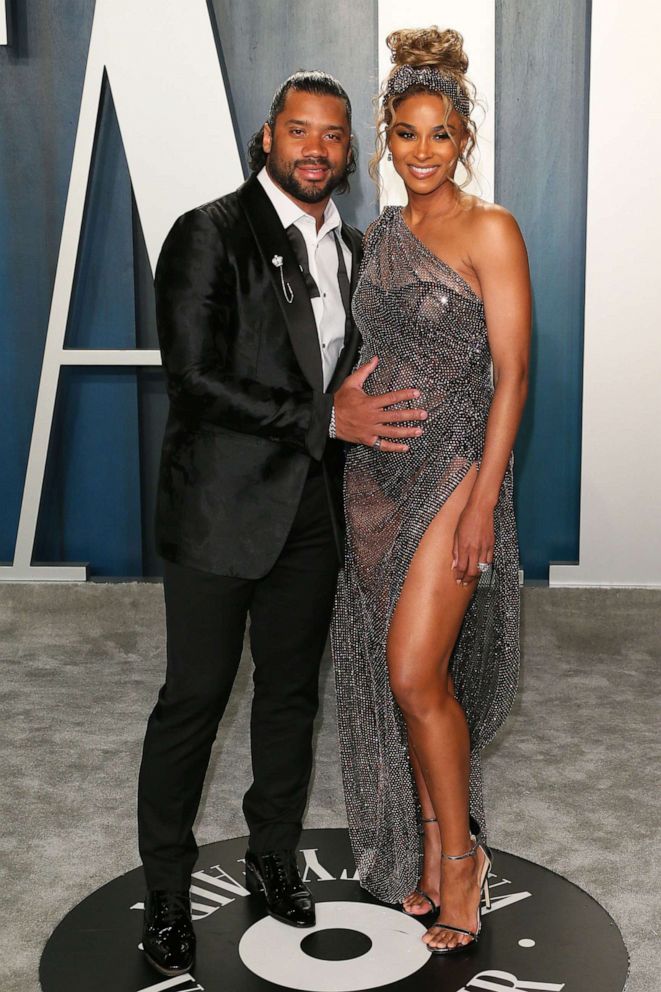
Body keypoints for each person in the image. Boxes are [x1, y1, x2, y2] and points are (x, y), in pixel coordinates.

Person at [136, 70, 427, 978]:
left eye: (332, 135)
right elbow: (192, 376)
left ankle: (271, 858)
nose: (314, 148)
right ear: (267, 138)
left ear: (347, 152)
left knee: (290, 697)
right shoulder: (208, 232)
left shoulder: (353, 244)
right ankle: (169, 892)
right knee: (193, 701)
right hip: (220, 513)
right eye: (297, 130)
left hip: (309, 512)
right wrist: (321, 423)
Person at [332, 27, 531, 955]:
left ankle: (462, 862)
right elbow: (362, 351)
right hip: (373, 477)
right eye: (404, 135)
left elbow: (513, 374)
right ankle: (421, 847)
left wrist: (485, 499)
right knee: (404, 678)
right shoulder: (379, 237)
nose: (420, 152)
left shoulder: (490, 230)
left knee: (415, 672)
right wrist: (343, 404)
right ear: (386, 139)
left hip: (454, 470)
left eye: (438, 135)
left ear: (463, 140)